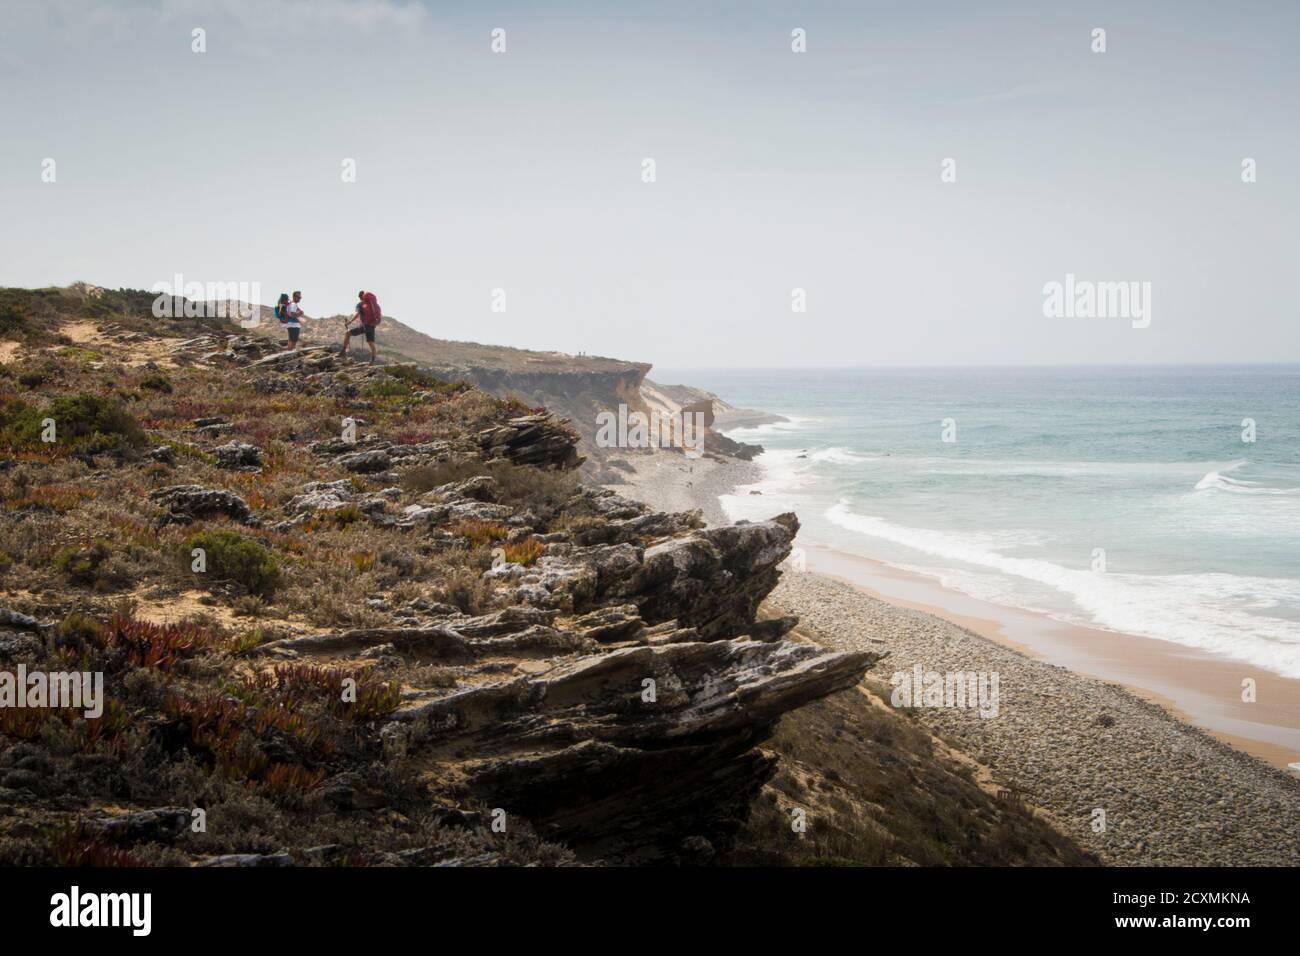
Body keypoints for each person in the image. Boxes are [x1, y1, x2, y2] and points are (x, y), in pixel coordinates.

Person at [343, 290, 380, 364]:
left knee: (348, 333)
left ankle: (342, 352)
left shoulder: (360, 304)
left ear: (360, 297)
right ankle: (372, 361)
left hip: (364, 326)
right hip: (371, 326)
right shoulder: (374, 304)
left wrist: (349, 322)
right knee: (371, 343)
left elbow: (357, 314)